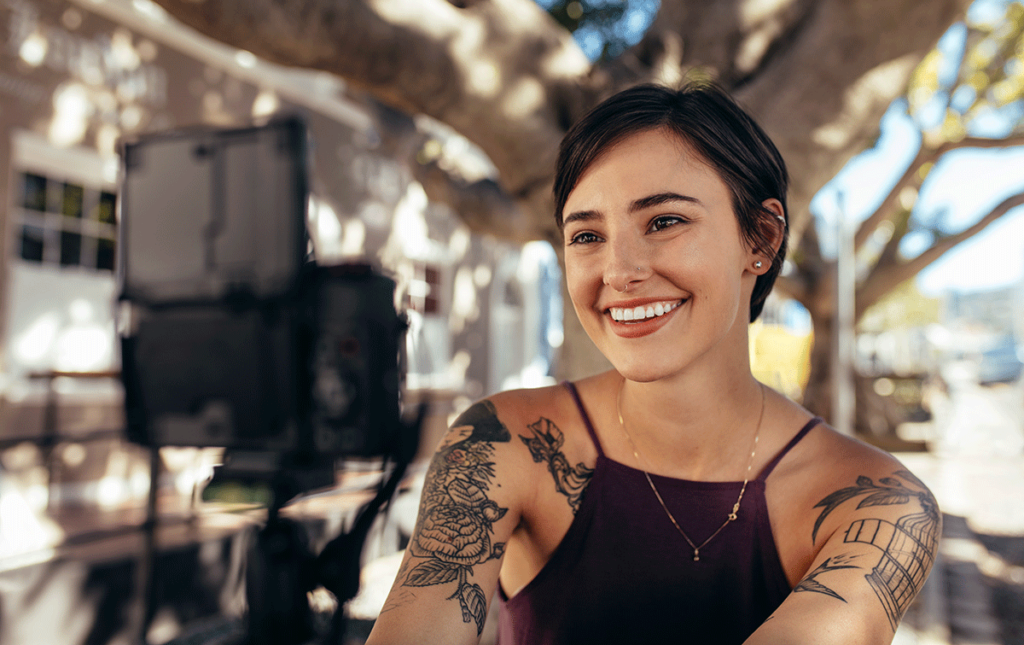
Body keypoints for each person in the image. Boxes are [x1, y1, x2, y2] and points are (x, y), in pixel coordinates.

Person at [366, 82, 940, 645]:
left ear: (760, 238)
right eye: (587, 235)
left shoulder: (880, 503)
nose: (619, 271)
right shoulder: (499, 444)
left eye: (664, 221)